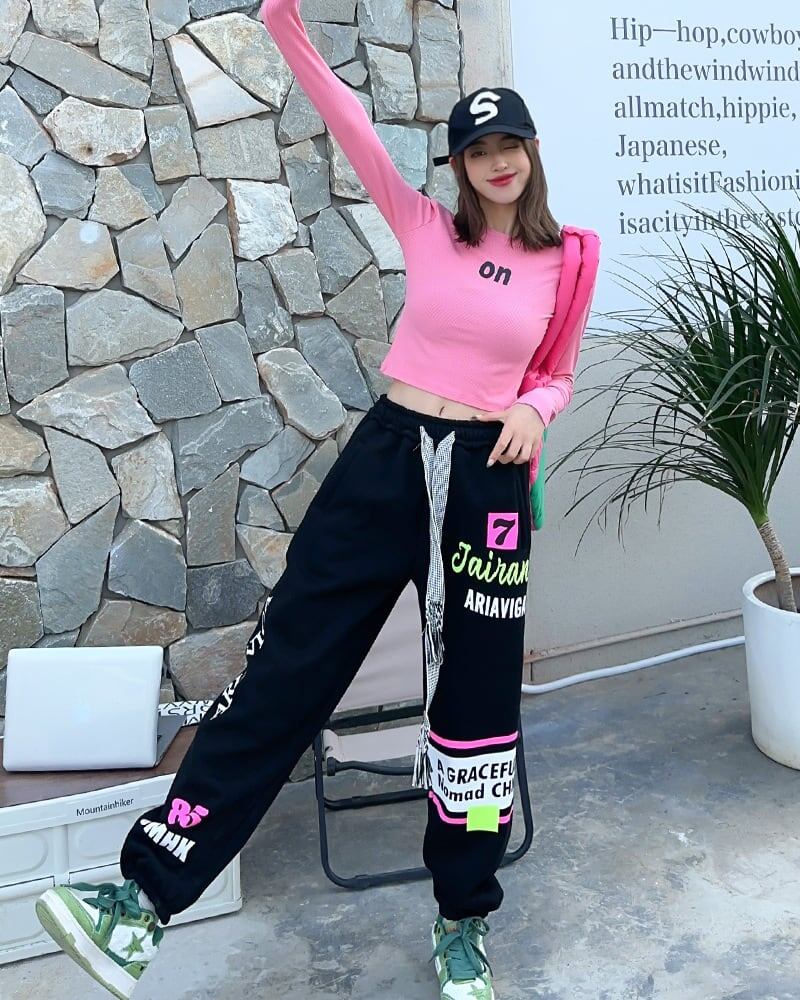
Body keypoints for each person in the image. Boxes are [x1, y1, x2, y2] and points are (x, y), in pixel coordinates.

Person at [33, 1, 600, 998]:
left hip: (487, 481)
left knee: (475, 705)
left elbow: (554, 371)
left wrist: (535, 410)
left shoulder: (569, 259)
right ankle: (142, 900)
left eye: (508, 144)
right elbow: (349, 120)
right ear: (459, 167)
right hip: (386, 457)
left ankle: (462, 919)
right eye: (477, 151)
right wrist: (285, 25)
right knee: (284, 667)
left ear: (532, 151)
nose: (496, 162)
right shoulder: (425, 226)